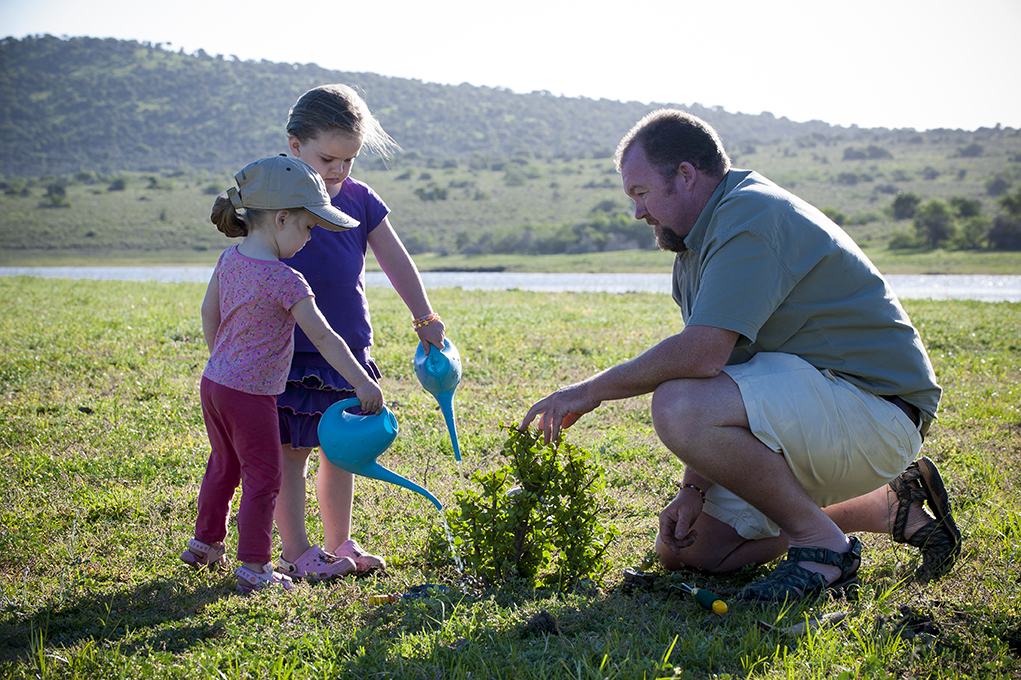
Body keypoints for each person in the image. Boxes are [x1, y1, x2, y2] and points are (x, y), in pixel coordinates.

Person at [520, 109, 961, 602]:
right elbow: (723, 371)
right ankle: (883, 506)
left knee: (677, 404)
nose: (638, 213)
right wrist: (693, 490)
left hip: (876, 409)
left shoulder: (751, 216)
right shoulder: (694, 248)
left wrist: (588, 391)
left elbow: (701, 358)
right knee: (692, 552)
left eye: (641, 194)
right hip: (818, 407)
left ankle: (822, 547)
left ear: (685, 175)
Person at [181, 155, 385, 594]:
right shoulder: (287, 280)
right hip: (251, 395)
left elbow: (208, 312)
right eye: (308, 228)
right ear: (281, 218)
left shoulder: (230, 259)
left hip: (215, 383)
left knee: (224, 464)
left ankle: (205, 543)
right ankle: (254, 566)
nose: (310, 238)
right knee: (264, 476)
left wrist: (222, 358)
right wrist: (362, 382)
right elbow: (327, 338)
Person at [273, 84, 446, 580]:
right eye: (327, 158)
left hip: (346, 353)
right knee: (292, 453)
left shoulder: (360, 199)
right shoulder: (274, 202)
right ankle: (296, 551)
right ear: (295, 146)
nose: (337, 171)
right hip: (288, 354)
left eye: (348, 160)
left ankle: (338, 542)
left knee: (342, 450)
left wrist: (424, 316)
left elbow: (395, 259)